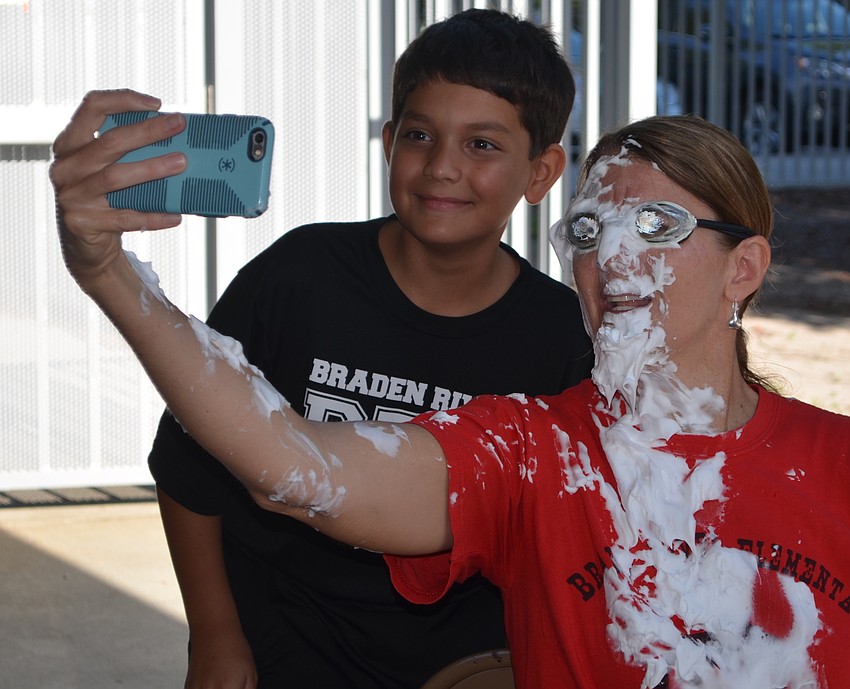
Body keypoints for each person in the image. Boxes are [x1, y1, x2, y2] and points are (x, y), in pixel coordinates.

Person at [52, 95, 850, 689]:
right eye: (584, 230)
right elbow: (295, 465)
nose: (610, 256)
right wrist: (110, 273)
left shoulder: (836, 463)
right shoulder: (532, 449)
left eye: (655, 228)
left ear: (743, 268)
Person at [64, 10, 593, 689]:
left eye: (482, 145)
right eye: (420, 134)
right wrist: (217, 634)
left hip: (465, 664)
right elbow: (186, 469)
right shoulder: (299, 277)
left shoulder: (562, 340)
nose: (441, 167)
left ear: (542, 171)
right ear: (387, 142)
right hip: (286, 641)